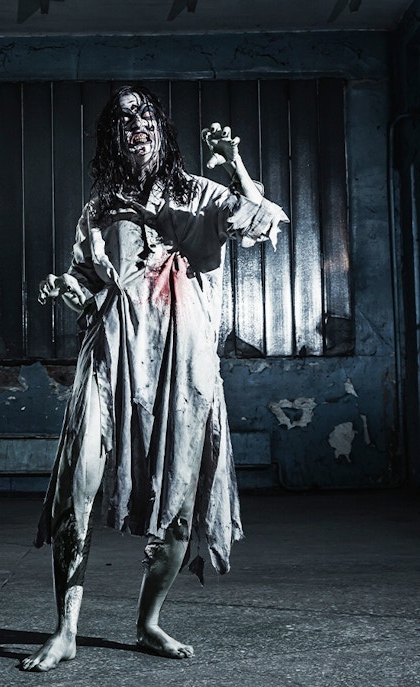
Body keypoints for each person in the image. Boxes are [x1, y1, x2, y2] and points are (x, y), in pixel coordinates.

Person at [20, 85, 288, 673]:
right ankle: (66, 629)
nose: (134, 125)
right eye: (122, 120)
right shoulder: (99, 206)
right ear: (111, 138)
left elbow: (263, 220)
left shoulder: (197, 191)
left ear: (160, 128)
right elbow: (90, 284)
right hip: (110, 351)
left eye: (143, 115)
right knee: (78, 485)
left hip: (181, 357)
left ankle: (148, 622)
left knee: (179, 503)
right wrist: (69, 290)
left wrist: (235, 163)